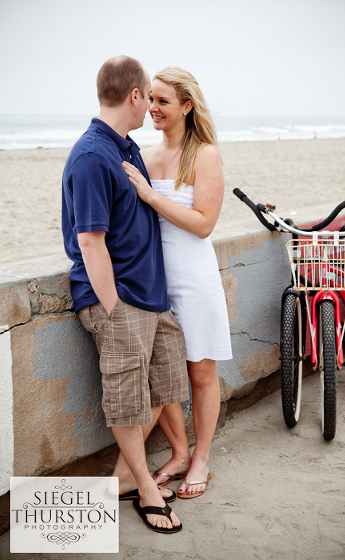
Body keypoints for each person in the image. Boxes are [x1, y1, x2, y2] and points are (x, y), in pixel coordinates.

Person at [61, 56, 189, 534]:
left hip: (152, 297)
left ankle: (122, 481)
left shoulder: (126, 147)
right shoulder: (93, 155)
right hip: (121, 302)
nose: (150, 109)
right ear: (133, 95)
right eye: (147, 98)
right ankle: (146, 490)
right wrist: (113, 309)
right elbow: (90, 240)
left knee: (162, 390)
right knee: (124, 402)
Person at [123, 66, 233, 499]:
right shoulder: (144, 157)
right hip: (153, 282)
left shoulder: (204, 155)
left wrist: (151, 196)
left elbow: (204, 224)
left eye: (163, 101)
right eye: (150, 98)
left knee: (201, 373)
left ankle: (201, 458)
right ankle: (179, 452)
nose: (153, 108)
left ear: (187, 105)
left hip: (194, 279)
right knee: (161, 375)